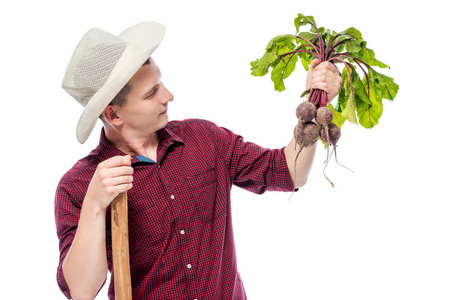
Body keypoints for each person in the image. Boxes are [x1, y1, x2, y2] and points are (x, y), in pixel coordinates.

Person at [55, 21, 342, 300]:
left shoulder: (203, 138)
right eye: (151, 93)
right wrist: (94, 206)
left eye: (160, 83)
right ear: (113, 114)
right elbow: (82, 290)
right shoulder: (79, 185)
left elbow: (288, 172)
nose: (169, 95)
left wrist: (315, 106)